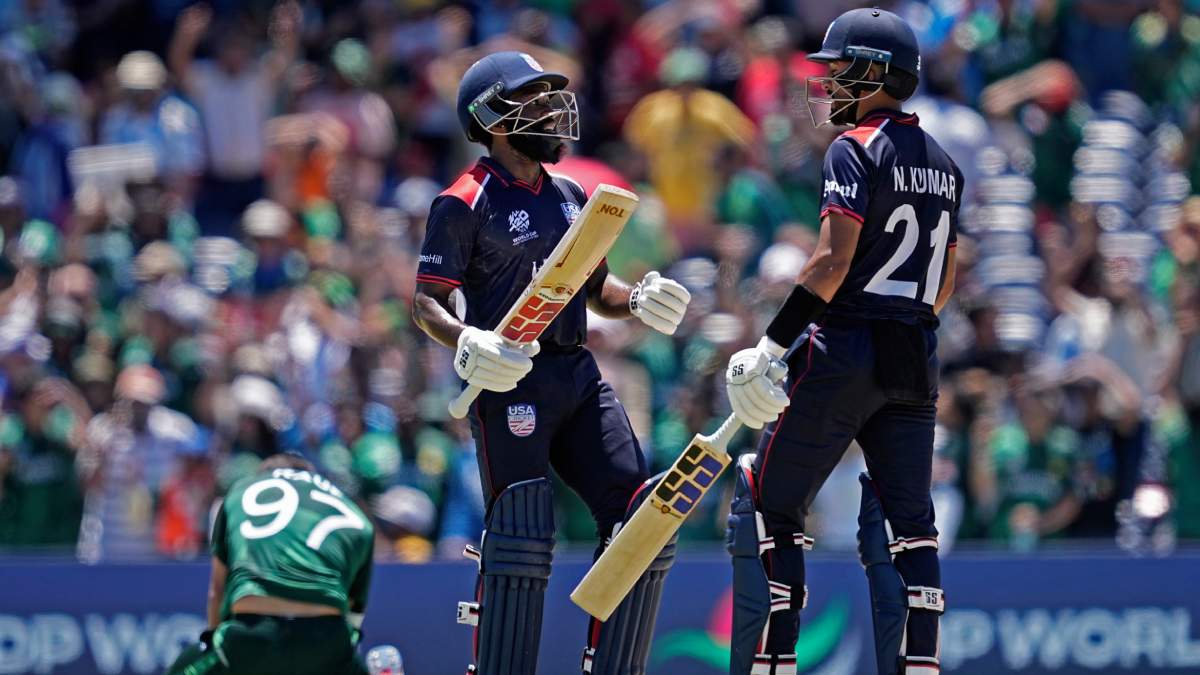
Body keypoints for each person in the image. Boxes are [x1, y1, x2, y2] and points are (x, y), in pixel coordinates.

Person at [410, 51, 692, 675]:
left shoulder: (570, 194)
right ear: (492, 119)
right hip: (509, 380)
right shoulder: (463, 200)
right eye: (531, 100)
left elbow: (595, 287)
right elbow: (426, 302)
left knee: (641, 518)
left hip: (577, 373)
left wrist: (637, 298)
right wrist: (465, 341)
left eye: (548, 98)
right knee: (521, 535)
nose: (549, 111)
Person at [722, 9, 961, 675]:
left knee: (766, 502)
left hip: (847, 343)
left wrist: (772, 346)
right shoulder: (945, 164)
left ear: (876, 73)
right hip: (914, 351)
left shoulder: (854, 147)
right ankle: (917, 665)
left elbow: (831, 261)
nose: (828, 85)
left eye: (840, 70)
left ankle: (772, 663)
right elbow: (943, 283)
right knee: (910, 525)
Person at [166, 454, 374, 675]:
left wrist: (216, 650)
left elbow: (216, 591)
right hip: (326, 642)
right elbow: (353, 618)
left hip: (250, 637)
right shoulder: (352, 509)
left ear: (264, 475)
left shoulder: (240, 492)